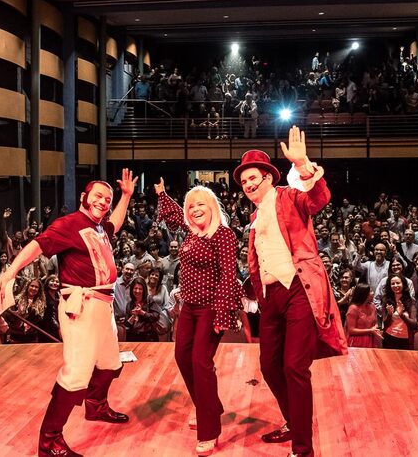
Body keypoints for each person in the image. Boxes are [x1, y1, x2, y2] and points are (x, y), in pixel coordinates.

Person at [0, 170, 137, 457]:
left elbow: (114, 224)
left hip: (102, 306)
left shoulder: (99, 227)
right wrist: (11, 271)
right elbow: (38, 245)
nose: (104, 202)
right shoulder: (69, 224)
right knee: (76, 374)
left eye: (107, 199)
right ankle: (49, 441)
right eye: (98, 197)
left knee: (109, 363)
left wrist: (126, 196)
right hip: (81, 307)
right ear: (84, 198)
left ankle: (96, 406)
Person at [235, 126, 347, 457]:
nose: (248, 185)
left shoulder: (288, 197)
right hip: (271, 299)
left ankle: (303, 450)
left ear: (269, 177)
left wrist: (303, 166)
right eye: (243, 182)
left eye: (253, 178)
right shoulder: (254, 218)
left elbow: (318, 199)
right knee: (270, 367)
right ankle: (293, 422)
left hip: (298, 290)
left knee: (295, 368)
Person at [155, 179, 241, 456]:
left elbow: (229, 277)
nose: (194, 210)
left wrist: (222, 313)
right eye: (191, 206)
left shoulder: (223, 236)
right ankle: (210, 407)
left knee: (200, 362)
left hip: (210, 308)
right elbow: (174, 217)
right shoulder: (192, 233)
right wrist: (162, 194)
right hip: (189, 308)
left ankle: (210, 428)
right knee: (182, 357)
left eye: (200, 204)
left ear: (213, 207)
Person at [380, 272, 417, 350]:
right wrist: (390, 315)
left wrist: (401, 315)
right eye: (393, 284)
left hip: (405, 339)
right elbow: (385, 323)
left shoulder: (410, 301)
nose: (395, 285)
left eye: (398, 283)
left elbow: (414, 324)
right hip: (389, 337)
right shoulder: (386, 299)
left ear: (403, 284)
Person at [124, 276, 162, 342]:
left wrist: (141, 312)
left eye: (140, 289)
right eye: (135, 288)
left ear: (144, 290)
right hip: (133, 337)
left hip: (148, 337)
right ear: (132, 289)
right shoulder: (130, 304)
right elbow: (127, 324)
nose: (137, 291)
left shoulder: (149, 300)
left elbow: (156, 316)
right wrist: (133, 316)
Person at [345, 283, 382, 348]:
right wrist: (370, 330)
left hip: (371, 341)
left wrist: (377, 329)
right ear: (364, 294)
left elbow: (375, 323)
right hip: (357, 342)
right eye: (371, 291)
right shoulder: (353, 308)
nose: (373, 293)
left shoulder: (372, 306)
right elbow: (351, 330)